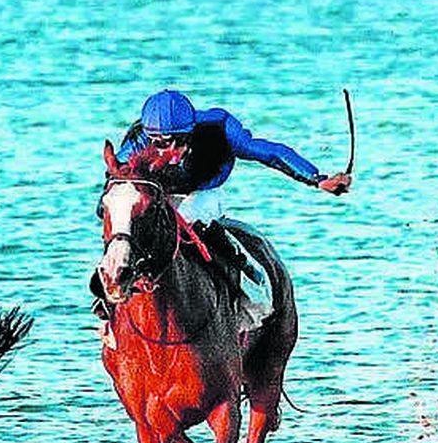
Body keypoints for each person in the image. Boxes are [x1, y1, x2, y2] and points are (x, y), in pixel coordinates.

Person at [98, 89, 351, 323]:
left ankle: (249, 283)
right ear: (149, 136)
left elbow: (270, 153)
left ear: (192, 130)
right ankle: (106, 293)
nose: (173, 152)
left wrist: (317, 179)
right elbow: (116, 182)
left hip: (203, 193)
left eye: (181, 140)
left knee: (188, 217)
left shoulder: (220, 127)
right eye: (163, 143)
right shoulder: (138, 141)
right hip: (160, 196)